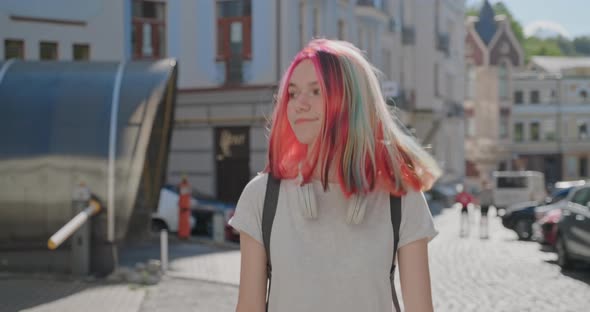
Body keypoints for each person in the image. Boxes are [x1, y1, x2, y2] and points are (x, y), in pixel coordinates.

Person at [229, 39, 441, 312]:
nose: (299, 104)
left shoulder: (400, 197)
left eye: (316, 91)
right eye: (292, 93)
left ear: (352, 102)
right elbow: (248, 307)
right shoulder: (261, 196)